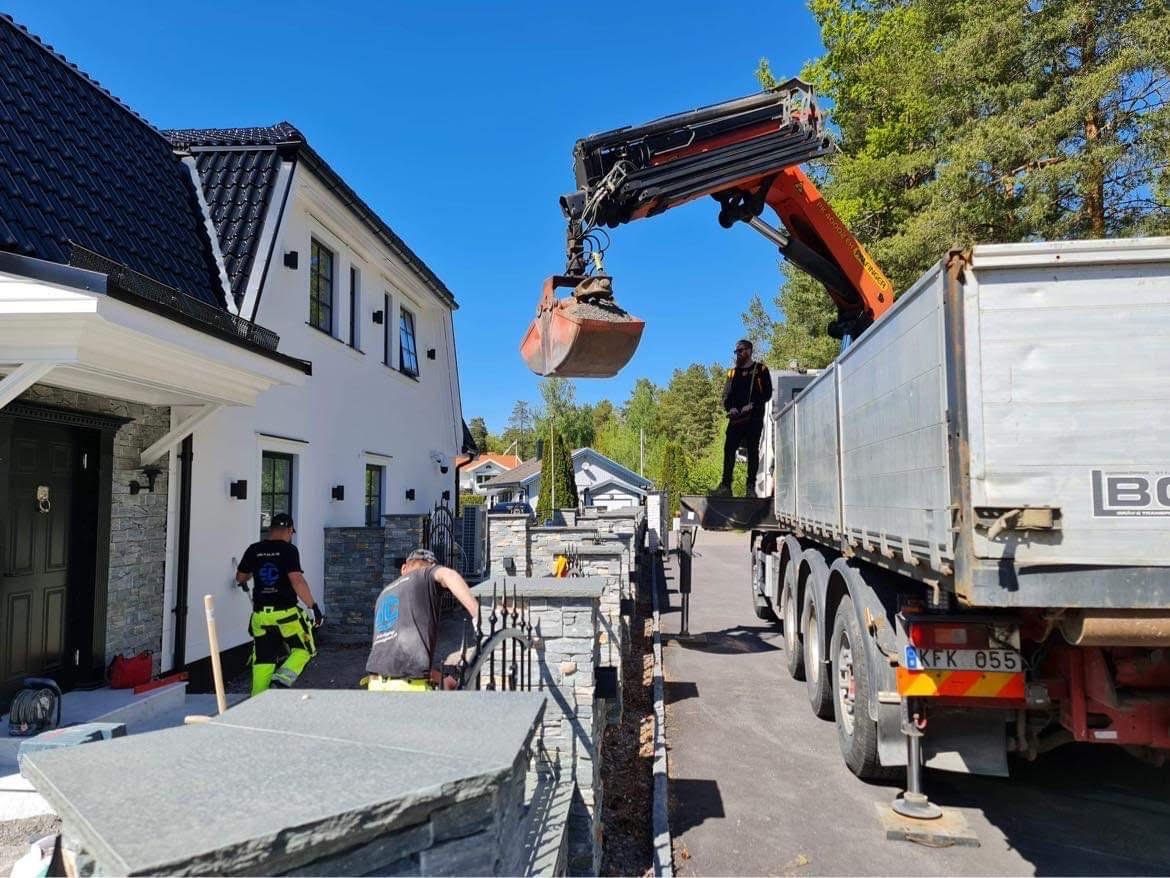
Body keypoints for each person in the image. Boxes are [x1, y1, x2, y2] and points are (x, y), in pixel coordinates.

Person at [366, 548, 481, 692]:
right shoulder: (424, 575)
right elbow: (449, 574)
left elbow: (400, 662)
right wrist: (479, 616)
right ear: (432, 567)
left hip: (375, 685)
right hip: (409, 689)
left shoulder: (384, 594)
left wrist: (441, 679)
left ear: (404, 568)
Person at [234, 513, 323, 695]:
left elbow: (241, 577)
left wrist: (252, 572)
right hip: (286, 615)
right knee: (304, 649)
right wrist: (313, 606)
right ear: (289, 530)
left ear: (271, 529)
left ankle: (258, 701)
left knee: (263, 660)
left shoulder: (254, 549)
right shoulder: (289, 550)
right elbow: (297, 580)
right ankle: (280, 680)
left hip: (261, 617)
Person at [715, 339, 773, 497]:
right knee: (729, 448)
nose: (738, 354)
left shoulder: (761, 370)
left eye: (740, 351)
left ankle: (750, 487)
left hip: (754, 418)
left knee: (753, 450)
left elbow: (767, 393)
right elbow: (726, 396)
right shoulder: (732, 373)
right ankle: (726, 486)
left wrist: (753, 404)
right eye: (736, 351)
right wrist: (731, 408)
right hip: (736, 419)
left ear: (749, 351)